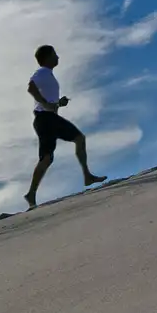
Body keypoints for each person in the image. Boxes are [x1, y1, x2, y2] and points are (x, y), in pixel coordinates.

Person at [25, 44, 107, 209]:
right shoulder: (42, 72)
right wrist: (45, 103)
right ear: (47, 57)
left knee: (51, 156)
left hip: (48, 118)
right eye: (54, 54)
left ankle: (32, 193)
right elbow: (31, 88)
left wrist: (58, 103)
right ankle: (86, 176)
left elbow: (47, 102)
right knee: (73, 142)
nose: (58, 57)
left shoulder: (48, 75)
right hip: (45, 119)